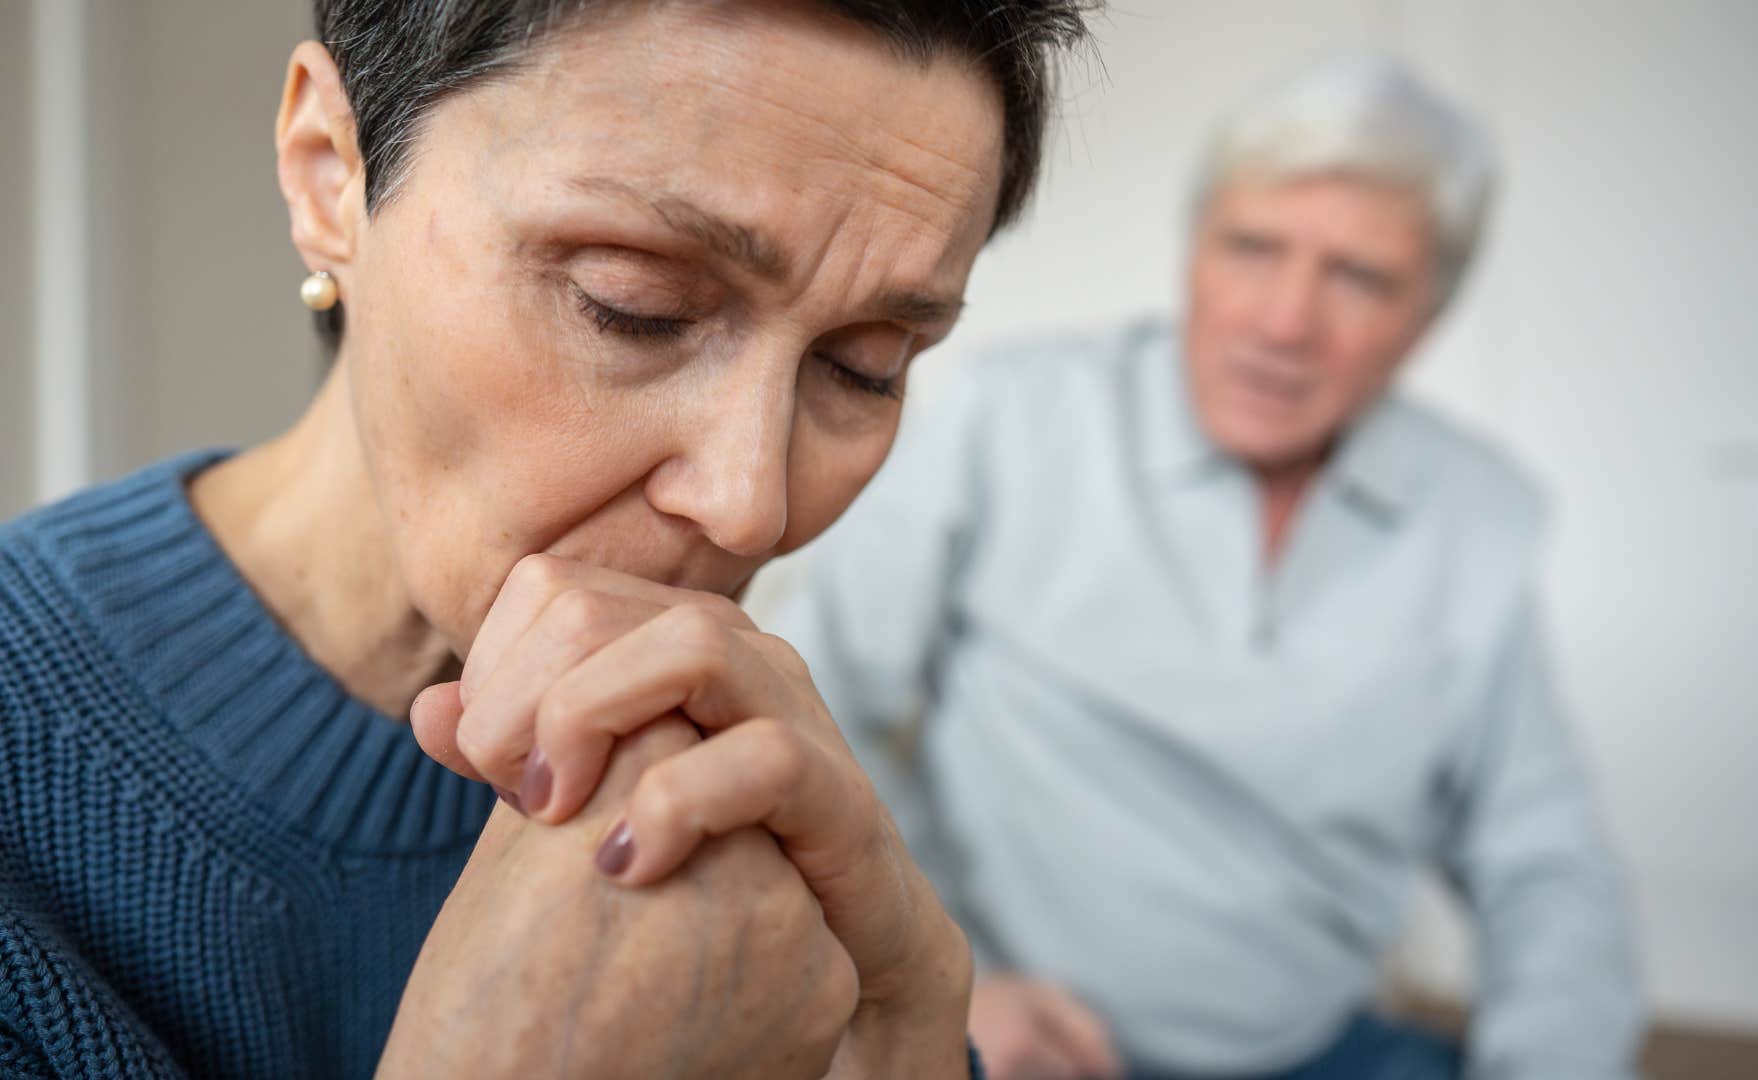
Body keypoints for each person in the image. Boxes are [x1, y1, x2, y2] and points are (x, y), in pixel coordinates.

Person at [0, 1, 1095, 1076]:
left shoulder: (736, 777)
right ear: (328, 170)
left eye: (868, 366)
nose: (751, 503)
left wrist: (907, 1023)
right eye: (636, 304)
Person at [767, 54, 1645, 1080]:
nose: (1284, 323)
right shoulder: (1006, 419)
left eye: (1360, 278)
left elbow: (1545, 865)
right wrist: (938, 970)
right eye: (1252, 249)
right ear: (1194, 255)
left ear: (1428, 319)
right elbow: (815, 702)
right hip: (1016, 1033)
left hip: (1320, 1049)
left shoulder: (1477, 514)